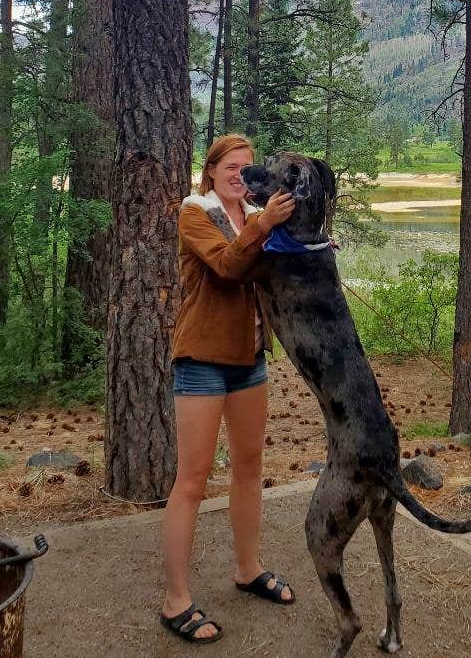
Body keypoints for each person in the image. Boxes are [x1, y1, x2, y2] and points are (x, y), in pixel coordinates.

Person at [161, 133, 297, 645]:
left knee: (249, 468)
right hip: (201, 360)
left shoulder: (254, 215)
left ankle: (247, 569)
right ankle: (175, 600)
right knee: (192, 481)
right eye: (231, 167)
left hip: (249, 359)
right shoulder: (195, 212)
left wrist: (304, 241)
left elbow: (272, 269)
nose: (241, 174)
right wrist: (264, 225)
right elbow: (225, 267)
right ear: (211, 170)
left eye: (247, 167)